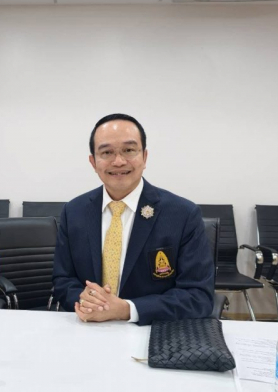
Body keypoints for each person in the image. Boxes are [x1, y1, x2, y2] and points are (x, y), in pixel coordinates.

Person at [52, 114, 214, 325]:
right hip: (89, 327)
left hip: (152, 330)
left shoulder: (183, 215)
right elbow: (63, 280)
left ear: (144, 157)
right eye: (107, 152)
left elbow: (198, 296)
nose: (118, 161)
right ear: (93, 162)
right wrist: (85, 300)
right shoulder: (74, 212)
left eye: (129, 150)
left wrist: (127, 309)